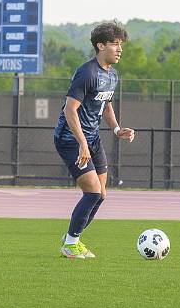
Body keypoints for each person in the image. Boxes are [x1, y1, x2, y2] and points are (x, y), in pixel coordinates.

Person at [54, 21, 135, 259]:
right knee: (91, 192)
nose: (120, 49)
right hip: (70, 139)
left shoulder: (112, 75)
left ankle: (71, 237)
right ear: (100, 45)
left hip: (93, 138)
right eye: (115, 44)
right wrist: (81, 143)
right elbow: (70, 110)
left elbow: (106, 104)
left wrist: (117, 129)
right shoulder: (87, 72)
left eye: (121, 45)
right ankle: (70, 243)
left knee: (101, 195)